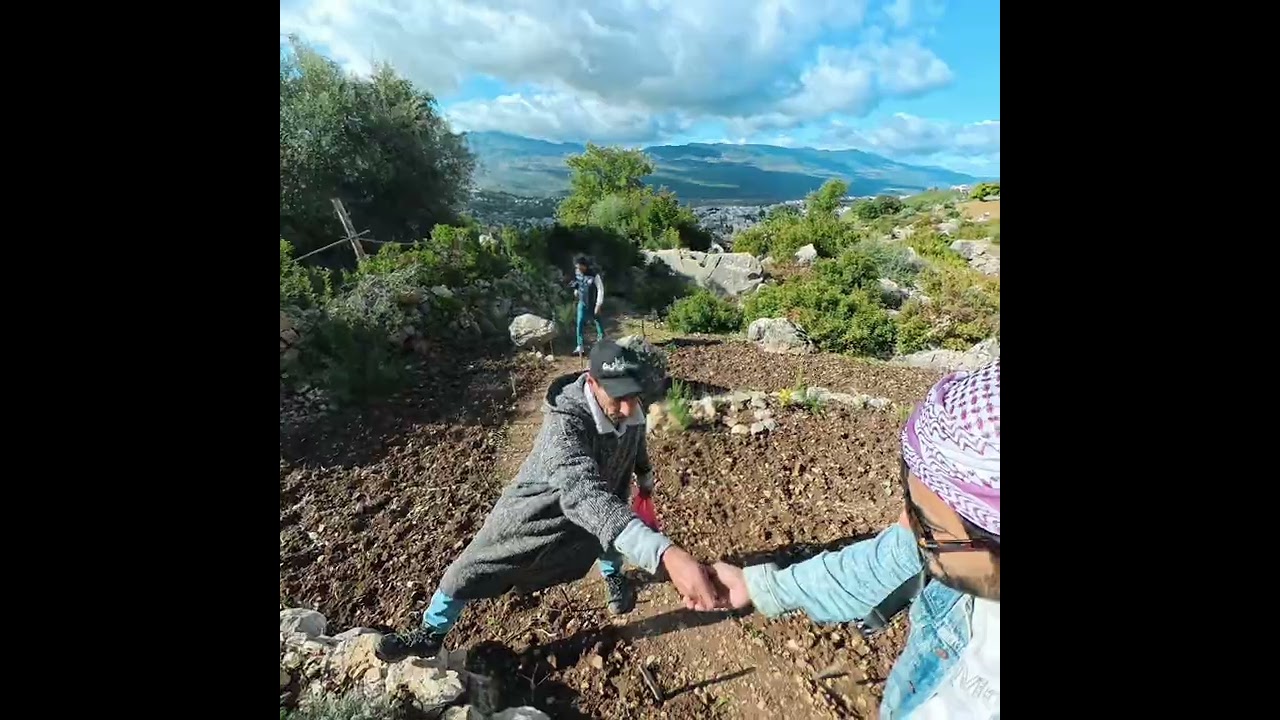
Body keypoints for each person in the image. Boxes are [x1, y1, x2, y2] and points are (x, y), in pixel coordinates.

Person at [377, 340, 724, 663]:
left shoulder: (629, 406)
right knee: (470, 567)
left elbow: (636, 444)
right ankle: (430, 633)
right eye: (618, 396)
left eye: (634, 396)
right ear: (592, 381)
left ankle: (613, 578)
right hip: (537, 512)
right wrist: (663, 552)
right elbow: (581, 490)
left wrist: (644, 479)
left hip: (602, 498)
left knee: (607, 537)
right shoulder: (564, 425)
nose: (627, 407)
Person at [709, 359, 1000, 719]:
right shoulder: (958, 554)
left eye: (930, 524)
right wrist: (760, 586)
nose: (909, 526)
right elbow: (883, 563)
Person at [571, 255, 605, 355]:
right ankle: (579, 346)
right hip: (582, 301)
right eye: (577, 267)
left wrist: (599, 304)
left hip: (593, 302)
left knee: (598, 321)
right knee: (580, 322)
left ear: (584, 266)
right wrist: (576, 290)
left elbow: (600, 289)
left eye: (580, 267)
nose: (578, 269)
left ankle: (602, 341)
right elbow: (577, 282)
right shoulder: (577, 273)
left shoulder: (594, 275)